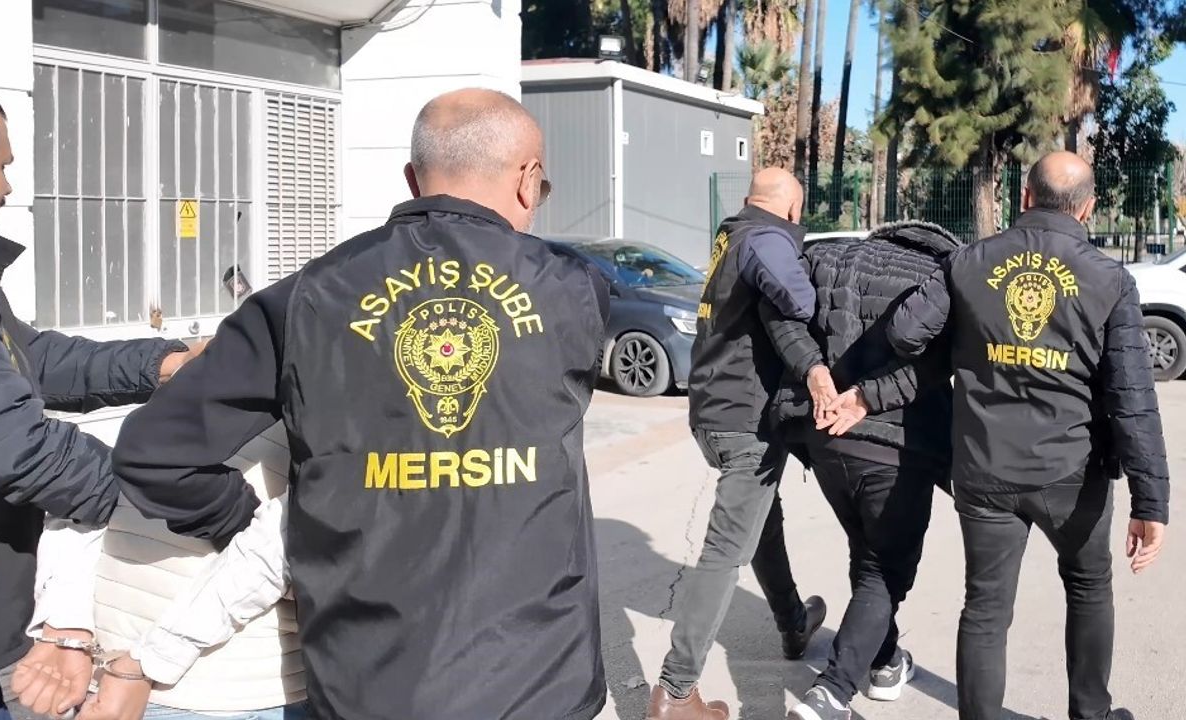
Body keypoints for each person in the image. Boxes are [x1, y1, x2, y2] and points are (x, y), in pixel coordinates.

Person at [107, 88, 611, 720]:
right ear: (528, 180)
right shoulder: (575, 289)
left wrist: (282, 532)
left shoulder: (305, 297)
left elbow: (154, 454)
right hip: (541, 685)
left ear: (413, 179)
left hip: (367, 688)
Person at [0, 74, 199, 719]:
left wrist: (165, 363)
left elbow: (27, 357)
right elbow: (3, 442)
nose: (8, 188)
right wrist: (159, 493)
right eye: (2, 166)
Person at [887, 151, 1170, 720]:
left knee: (985, 608)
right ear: (1088, 208)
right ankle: (1091, 714)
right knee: (1088, 587)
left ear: (1025, 196)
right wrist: (1151, 501)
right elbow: (1132, 395)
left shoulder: (968, 262)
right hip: (1072, 473)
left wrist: (967, 346)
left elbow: (904, 332)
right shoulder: (1109, 278)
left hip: (984, 468)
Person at [759, 221, 960, 720]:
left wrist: (812, 368)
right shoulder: (943, 275)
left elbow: (776, 310)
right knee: (886, 571)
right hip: (897, 446)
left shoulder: (826, 257)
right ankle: (831, 693)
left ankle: (885, 661)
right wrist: (869, 398)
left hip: (825, 437)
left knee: (867, 552)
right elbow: (939, 362)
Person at [647, 169, 827, 720]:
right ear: (792, 210)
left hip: (711, 411)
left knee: (762, 519)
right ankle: (677, 691)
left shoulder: (732, 236)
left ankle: (793, 623)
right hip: (743, 418)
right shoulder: (767, 239)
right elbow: (799, 299)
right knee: (725, 553)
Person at [11, 423, 304, 720]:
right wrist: (67, 621)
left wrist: (150, 661)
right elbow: (77, 490)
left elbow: (291, 534)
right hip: (107, 674)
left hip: (234, 687)